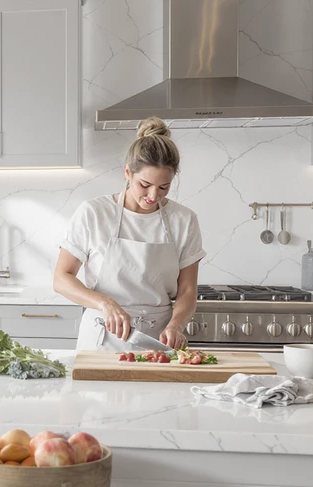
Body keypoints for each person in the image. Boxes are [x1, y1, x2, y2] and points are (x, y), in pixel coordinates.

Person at [54, 117, 205, 351]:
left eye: (163, 187)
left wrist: (176, 325)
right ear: (127, 172)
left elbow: (187, 290)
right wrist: (105, 303)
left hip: (158, 343)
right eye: (145, 184)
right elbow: (62, 278)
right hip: (101, 340)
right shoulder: (94, 213)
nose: (153, 196)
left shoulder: (184, 220)